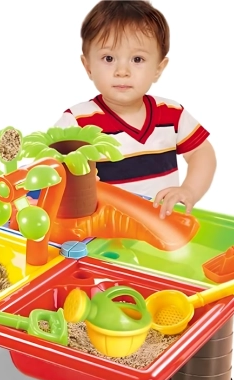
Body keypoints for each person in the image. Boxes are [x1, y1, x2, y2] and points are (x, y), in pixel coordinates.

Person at [55, 0, 216, 219]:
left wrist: (189, 190)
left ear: (158, 68)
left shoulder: (172, 114)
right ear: (88, 66)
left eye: (137, 59)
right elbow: (49, 168)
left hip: (162, 225)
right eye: (109, 58)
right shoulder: (77, 122)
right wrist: (75, 181)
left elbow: (202, 153)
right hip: (100, 231)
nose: (122, 71)